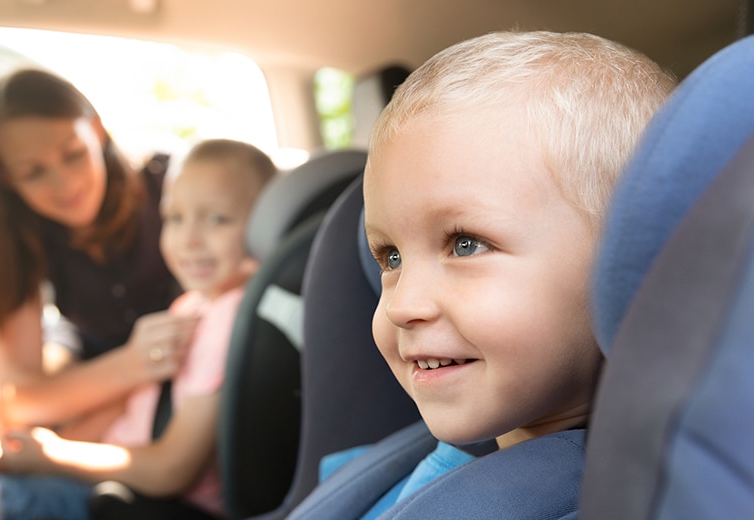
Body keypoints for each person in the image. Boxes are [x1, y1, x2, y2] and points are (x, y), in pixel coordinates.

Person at [287, 31, 676, 519]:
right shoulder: (409, 464)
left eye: (466, 245)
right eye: (391, 257)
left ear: (632, 260)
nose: (401, 305)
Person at [0, 138, 277, 520]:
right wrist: (33, 451)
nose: (187, 240)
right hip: (120, 470)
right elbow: (141, 398)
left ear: (262, 226)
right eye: (174, 218)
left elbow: (170, 470)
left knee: (0, 501)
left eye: (216, 219)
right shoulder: (195, 305)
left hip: (149, 498)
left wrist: (55, 456)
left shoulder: (232, 322)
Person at [0, 68, 198, 437]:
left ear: (96, 130)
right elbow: (20, 396)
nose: (64, 184)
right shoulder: (16, 237)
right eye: (33, 173)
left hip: (191, 361)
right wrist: (130, 367)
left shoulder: (168, 183)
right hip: (100, 365)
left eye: (72, 154)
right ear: (6, 178)